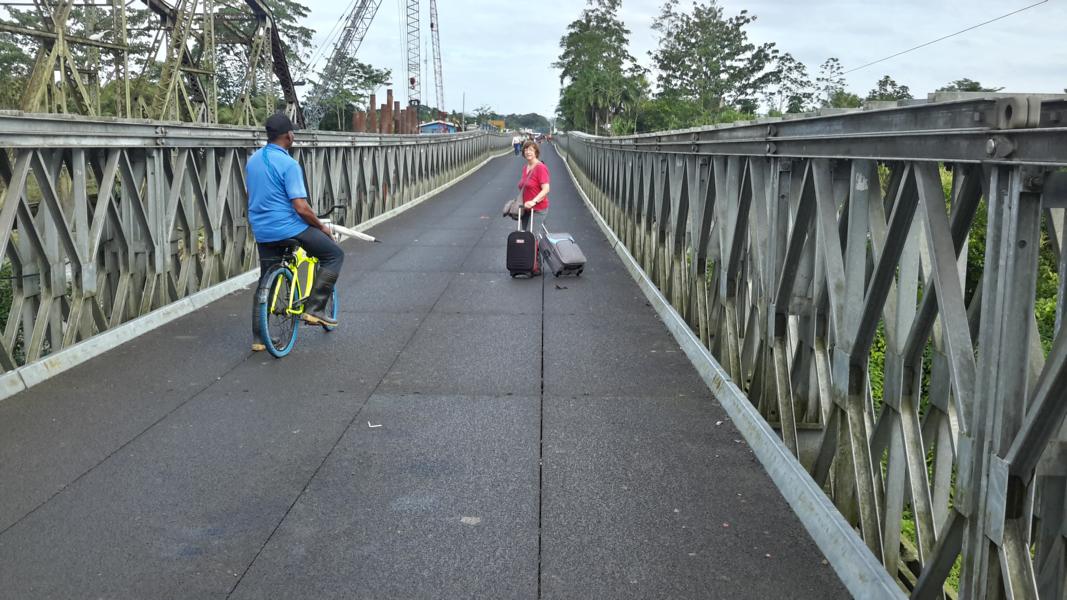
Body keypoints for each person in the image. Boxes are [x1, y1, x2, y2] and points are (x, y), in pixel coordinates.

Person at [246, 112, 344, 351]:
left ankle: (259, 339)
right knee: (334, 255)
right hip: (288, 226)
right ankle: (316, 308)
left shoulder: (253, 160)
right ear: (289, 136)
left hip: (262, 228)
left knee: (266, 277)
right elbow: (300, 207)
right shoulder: (289, 164)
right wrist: (320, 226)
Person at [518, 140, 550, 233]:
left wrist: (533, 201)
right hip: (526, 209)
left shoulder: (540, 167)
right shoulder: (525, 167)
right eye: (526, 149)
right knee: (524, 237)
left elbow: (546, 189)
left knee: (530, 237)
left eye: (531, 150)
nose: (528, 152)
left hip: (538, 209)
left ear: (536, 152)